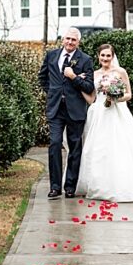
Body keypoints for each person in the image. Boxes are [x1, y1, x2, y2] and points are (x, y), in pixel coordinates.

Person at [75, 44, 133, 202]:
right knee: (98, 148)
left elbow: (129, 94)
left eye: (108, 56)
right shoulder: (94, 74)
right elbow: (92, 99)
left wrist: (114, 97)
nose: (105, 58)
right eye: (102, 55)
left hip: (116, 112)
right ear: (98, 56)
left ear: (113, 57)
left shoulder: (120, 72)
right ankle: (98, 184)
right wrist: (80, 89)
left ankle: (120, 184)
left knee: (118, 147)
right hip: (98, 114)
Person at [37, 27, 95, 199]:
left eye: (74, 40)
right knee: (54, 144)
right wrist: (53, 92)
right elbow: (43, 77)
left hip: (75, 109)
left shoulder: (85, 60)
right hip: (55, 108)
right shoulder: (52, 55)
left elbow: (89, 87)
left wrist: (73, 77)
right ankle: (55, 187)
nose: (70, 42)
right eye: (68, 39)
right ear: (63, 39)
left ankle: (70, 186)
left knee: (75, 148)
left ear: (78, 42)